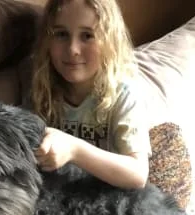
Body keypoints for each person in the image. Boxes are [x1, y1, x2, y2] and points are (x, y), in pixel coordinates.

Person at [27, 0, 151, 189]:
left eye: (87, 36)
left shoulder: (124, 94)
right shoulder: (42, 88)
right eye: (61, 34)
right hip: (59, 196)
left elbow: (138, 174)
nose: (72, 49)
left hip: (111, 199)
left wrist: (74, 150)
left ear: (110, 42)